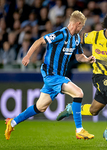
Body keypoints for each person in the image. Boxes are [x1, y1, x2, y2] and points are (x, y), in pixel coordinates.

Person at [4, 10, 95, 140]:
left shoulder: (75, 39)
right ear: (78, 24)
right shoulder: (60, 34)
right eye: (81, 26)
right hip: (51, 74)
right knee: (79, 93)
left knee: (40, 107)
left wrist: (87, 59)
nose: (81, 29)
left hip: (58, 77)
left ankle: (12, 123)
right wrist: (28, 56)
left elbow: (79, 56)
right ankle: (79, 130)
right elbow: (40, 41)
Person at [56, 12, 107, 147]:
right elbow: (77, 39)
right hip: (99, 76)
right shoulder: (95, 36)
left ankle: (72, 109)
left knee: (94, 111)